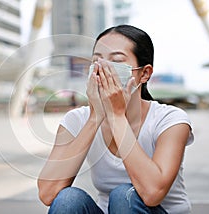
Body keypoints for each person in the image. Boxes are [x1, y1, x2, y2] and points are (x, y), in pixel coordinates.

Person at [37, 25, 194, 214]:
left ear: (144, 73)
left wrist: (117, 117)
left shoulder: (170, 119)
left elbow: (152, 193)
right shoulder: (76, 120)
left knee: (124, 196)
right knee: (68, 200)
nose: (103, 69)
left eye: (116, 61)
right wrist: (96, 117)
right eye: (97, 61)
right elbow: (48, 193)